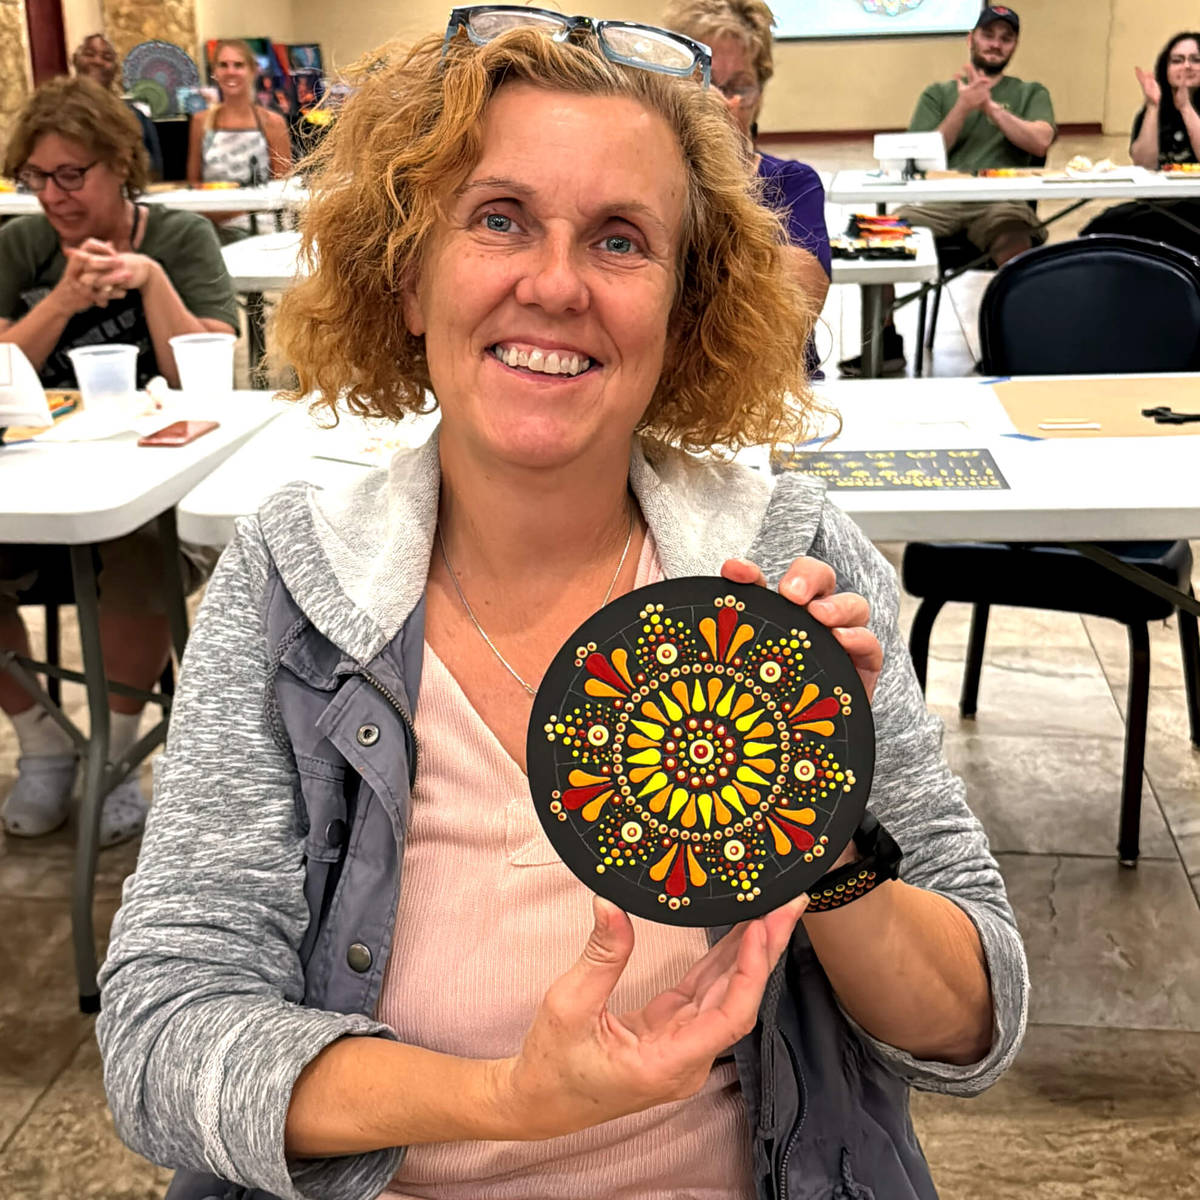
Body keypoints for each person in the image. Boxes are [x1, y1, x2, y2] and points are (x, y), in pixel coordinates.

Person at [97, 14, 1026, 1200]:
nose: (555, 284)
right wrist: (510, 1101)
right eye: (499, 219)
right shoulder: (296, 581)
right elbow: (162, 1037)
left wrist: (816, 828)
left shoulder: (789, 558)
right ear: (408, 275)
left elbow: (970, 1032)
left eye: (622, 240)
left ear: (687, 309)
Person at [0, 76, 240, 846]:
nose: (55, 195)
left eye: (74, 174)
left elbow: (209, 368)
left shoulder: (178, 238)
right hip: (39, 477)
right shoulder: (21, 246)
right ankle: (42, 744)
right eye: (38, 177)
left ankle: (114, 750)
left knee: (137, 553)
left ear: (119, 166)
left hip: (148, 485)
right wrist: (62, 301)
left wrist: (152, 282)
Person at [839, 5, 1056, 376]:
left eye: (1006, 39)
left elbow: (1040, 142)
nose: (996, 44)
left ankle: (1011, 344)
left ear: (1014, 47)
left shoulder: (1030, 92)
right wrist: (963, 106)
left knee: (1013, 236)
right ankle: (887, 344)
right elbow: (921, 156)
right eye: (989, 35)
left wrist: (990, 109)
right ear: (971, 39)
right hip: (941, 200)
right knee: (878, 236)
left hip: (1000, 199)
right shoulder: (938, 93)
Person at [663, 0, 830, 370]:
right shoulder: (649, 181)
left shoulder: (793, 185)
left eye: (739, 87)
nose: (721, 102)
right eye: (702, 83)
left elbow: (783, 323)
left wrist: (722, 170)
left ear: (760, 96)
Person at [1082, 32, 1200, 258]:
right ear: (1165, 68)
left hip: (1195, 205)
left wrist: (1186, 108)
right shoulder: (1153, 112)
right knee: (1098, 231)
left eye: (1195, 59)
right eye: (1177, 60)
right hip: (1158, 205)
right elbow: (1144, 164)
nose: (1187, 66)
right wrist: (1152, 107)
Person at [186, 38, 293, 240]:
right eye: (223, 65)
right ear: (215, 72)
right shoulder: (201, 122)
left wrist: (239, 209)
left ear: (253, 71)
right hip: (211, 224)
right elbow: (194, 183)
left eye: (238, 65)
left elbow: (282, 187)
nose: (230, 71)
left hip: (262, 225)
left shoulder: (272, 122)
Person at [71, 31, 164, 179]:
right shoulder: (53, 113)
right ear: (75, 60)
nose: (97, 61)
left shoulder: (134, 117)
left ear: (116, 69)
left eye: (107, 57)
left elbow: (153, 171)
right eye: (89, 54)